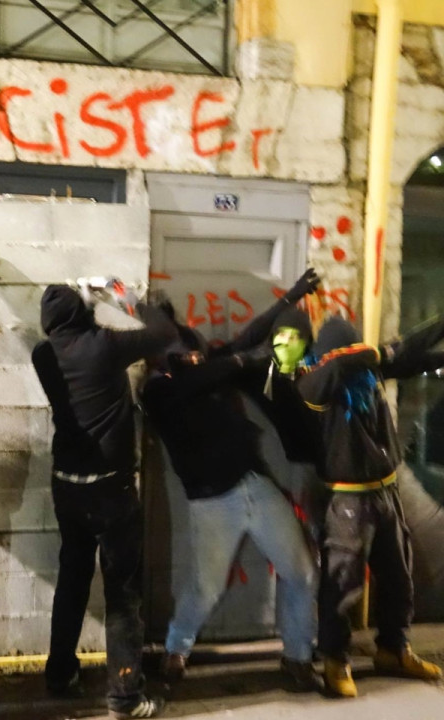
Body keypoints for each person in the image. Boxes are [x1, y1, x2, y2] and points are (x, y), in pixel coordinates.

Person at [140, 270, 322, 692]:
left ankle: (297, 657)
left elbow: (248, 337)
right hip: (212, 501)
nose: (187, 348)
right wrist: (236, 362)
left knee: (302, 573)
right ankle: (176, 649)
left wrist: (291, 298)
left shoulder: (200, 365)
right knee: (205, 588)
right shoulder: (157, 392)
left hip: (254, 484)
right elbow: (211, 370)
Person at [32, 282, 177, 719]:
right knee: (122, 594)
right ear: (81, 314)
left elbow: (72, 338)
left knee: (73, 581)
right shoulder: (104, 346)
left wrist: (85, 308)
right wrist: (122, 295)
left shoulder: (43, 354)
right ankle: (125, 697)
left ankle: (60, 675)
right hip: (110, 489)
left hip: (67, 486)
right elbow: (164, 331)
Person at [297, 315, 444, 698]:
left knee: (398, 578)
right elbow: (346, 362)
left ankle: (393, 650)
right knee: (342, 583)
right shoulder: (315, 383)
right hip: (348, 498)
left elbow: (410, 351)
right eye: (349, 349)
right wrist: (374, 352)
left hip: (386, 493)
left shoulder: (368, 372)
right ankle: (334, 661)